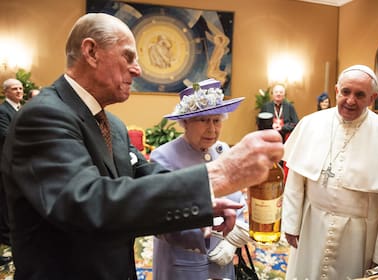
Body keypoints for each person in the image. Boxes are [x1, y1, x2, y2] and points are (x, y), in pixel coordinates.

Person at [0, 13, 284, 280]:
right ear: (91, 52)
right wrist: (220, 175)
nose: (137, 69)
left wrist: (205, 203)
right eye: (128, 57)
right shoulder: (45, 115)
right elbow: (87, 202)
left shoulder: (113, 124)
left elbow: (146, 175)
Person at [281, 65, 378, 279]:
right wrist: (290, 224)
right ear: (337, 90)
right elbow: (296, 181)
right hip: (312, 225)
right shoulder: (311, 124)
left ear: (372, 98)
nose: (350, 100)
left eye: (360, 94)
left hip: (360, 236)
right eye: (345, 92)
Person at [150, 79, 251, 280]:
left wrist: (231, 241)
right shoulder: (164, 157)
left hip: (222, 262)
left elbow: (238, 203)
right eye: (204, 120)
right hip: (182, 264)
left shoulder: (224, 151)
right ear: (185, 121)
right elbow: (161, 219)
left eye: (217, 120)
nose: (212, 129)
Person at [0, 78, 23, 266]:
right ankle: (6, 235)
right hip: (6, 161)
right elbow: (5, 134)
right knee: (4, 201)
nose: (18, 91)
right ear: (6, 91)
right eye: (14, 89)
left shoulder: (20, 109)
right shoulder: (3, 111)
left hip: (18, 162)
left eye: (20, 88)